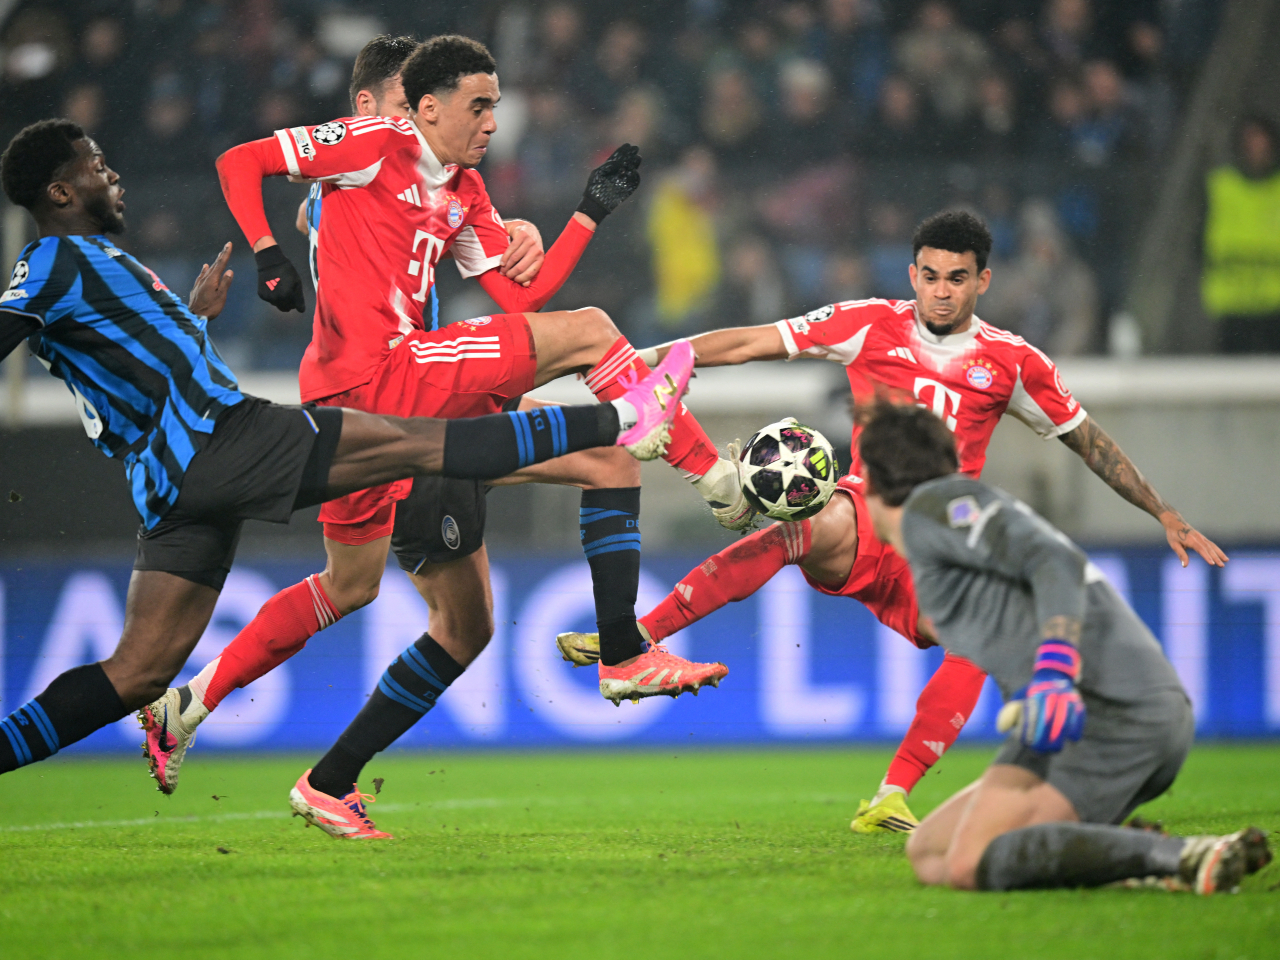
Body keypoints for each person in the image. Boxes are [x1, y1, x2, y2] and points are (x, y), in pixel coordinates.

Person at [139, 34, 741, 819]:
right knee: (593, 332)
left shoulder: (460, 190)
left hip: (387, 409)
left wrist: (587, 213)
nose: (494, 122)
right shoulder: (370, 147)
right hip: (385, 376)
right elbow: (242, 164)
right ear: (412, 106)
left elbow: (522, 300)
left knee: (400, 590)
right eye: (479, 106)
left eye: (494, 105)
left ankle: (230, 727)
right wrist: (265, 252)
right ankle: (714, 488)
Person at [0, 118, 695, 780]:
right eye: (94, 164)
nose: (111, 170)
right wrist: (277, 247)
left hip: (171, 485)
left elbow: (132, 361)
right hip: (232, 437)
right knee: (422, 447)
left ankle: (185, 713)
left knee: (139, 672)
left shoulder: (94, 261)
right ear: (59, 192)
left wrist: (194, 319)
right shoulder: (52, 262)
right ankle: (625, 417)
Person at [559, 210, 1227, 834]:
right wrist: (646, 360)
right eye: (930, 276)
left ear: (983, 281)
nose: (941, 292)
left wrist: (1162, 510)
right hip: (864, 512)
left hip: (938, 544)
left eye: (957, 279)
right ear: (913, 274)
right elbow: (754, 341)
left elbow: (1087, 439)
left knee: (975, 642)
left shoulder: (1013, 362)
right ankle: (636, 637)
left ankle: (890, 794)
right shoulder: (868, 323)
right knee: (803, 530)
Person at [858, 401, 1271, 894]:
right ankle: (1114, 855)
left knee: (971, 860)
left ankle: (1183, 857)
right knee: (929, 851)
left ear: (871, 482)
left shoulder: (935, 507)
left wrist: (1054, 669)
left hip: (1114, 715)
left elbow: (1053, 561)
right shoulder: (937, 538)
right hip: (1068, 720)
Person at [1202, 114, 1280, 353]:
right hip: (1231, 305)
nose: (1256, 150)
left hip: (1274, 305)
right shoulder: (1220, 185)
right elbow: (1200, 240)